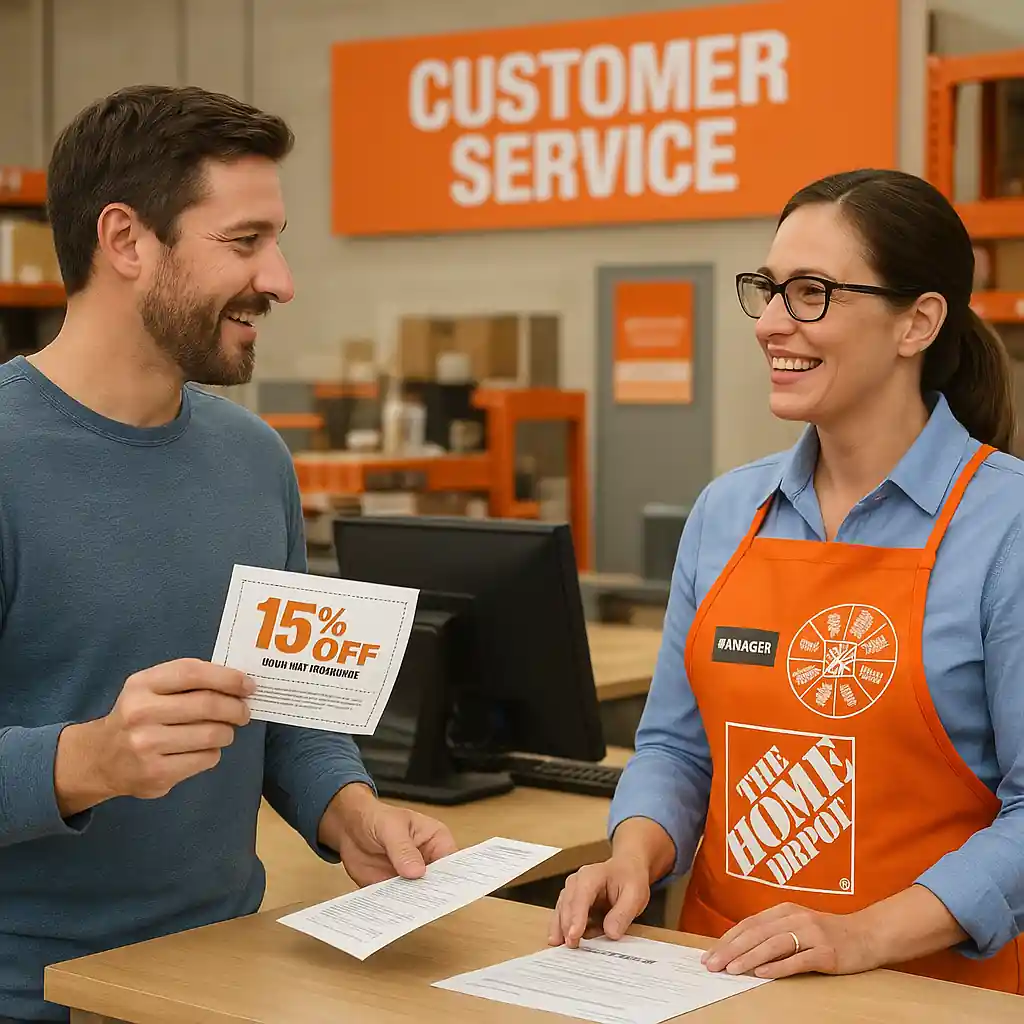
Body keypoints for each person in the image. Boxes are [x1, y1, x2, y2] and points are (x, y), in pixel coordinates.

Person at [0, 85, 457, 1023]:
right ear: (126, 241)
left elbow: (285, 704)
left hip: (225, 976)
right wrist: (83, 760)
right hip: (36, 996)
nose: (281, 279)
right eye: (245, 243)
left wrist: (349, 812)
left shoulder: (255, 459)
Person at [549, 168, 1024, 994]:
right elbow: (675, 748)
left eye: (811, 292)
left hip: (927, 993)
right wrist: (633, 854)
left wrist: (864, 934)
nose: (770, 323)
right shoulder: (728, 511)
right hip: (714, 979)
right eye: (768, 290)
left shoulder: (1006, 526)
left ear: (918, 321)